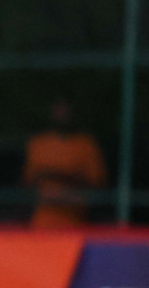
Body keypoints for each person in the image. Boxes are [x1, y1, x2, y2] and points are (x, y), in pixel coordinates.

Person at [23, 98, 106, 228]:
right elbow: (28, 182)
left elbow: (96, 183)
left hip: (76, 223)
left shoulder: (86, 144)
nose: (62, 114)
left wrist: (55, 174)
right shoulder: (38, 143)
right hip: (42, 224)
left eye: (65, 110)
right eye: (58, 110)